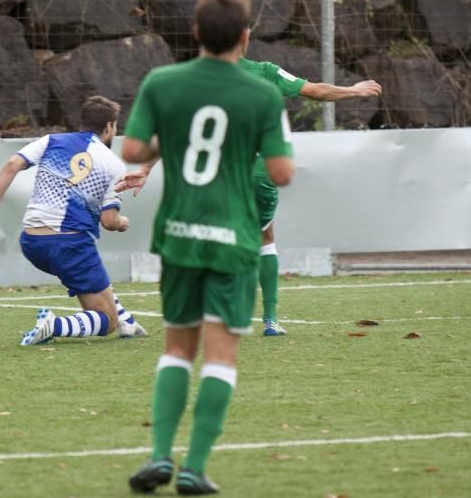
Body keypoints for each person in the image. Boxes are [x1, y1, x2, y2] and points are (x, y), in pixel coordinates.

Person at [123, 0, 294, 496]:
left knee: (177, 348)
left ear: (194, 32)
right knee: (220, 355)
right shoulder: (262, 93)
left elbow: (133, 148)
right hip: (234, 238)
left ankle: (159, 456)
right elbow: (282, 173)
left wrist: (169, 139)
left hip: (179, 234)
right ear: (245, 37)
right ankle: (194, 468)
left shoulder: (162, 81)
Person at [119, 58, 381, 336]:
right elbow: (315, 90)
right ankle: (269, 320)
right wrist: (354, 89)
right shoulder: (264, 71)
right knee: (264, 238)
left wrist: (146, 168)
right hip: (258, 174)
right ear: (243, 37)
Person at [0, 95, 147, 343]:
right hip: (68, 244)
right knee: (106, 321)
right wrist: (122, 222)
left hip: (32, 242)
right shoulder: (113, 166)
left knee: (95, 274)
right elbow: (108, 220)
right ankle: (55, 325)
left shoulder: (51, 140)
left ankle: (127, 322)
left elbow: (12, 164)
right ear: (109, 127)